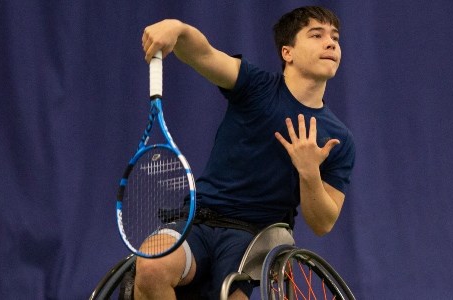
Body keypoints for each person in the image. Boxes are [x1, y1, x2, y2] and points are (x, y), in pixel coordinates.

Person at [135, 6, 355, 300]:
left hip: (255, 237)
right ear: (287, 53)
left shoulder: (339, 138)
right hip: (197, 221)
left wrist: (308, 172)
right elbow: (204, 54)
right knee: (151, 268)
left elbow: (322, 223)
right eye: (317, 35)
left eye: (335, 38)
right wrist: (178, 29)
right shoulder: (255, 86)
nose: (331, 43)